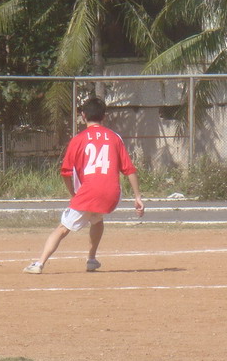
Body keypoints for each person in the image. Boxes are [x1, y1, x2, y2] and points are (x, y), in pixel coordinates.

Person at [24, 96, 144, 274]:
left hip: (89, 191)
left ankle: (39, 263)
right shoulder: (115, 138)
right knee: (97, 219)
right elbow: (129, 169)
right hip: (112, 193)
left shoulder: (78, 139)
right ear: (104, 117)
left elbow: (65, 172)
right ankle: (91, 259)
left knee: (63, 228)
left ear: (83, 116)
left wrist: (73, 193)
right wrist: (137, 197)